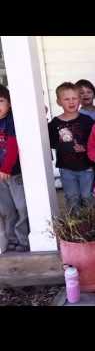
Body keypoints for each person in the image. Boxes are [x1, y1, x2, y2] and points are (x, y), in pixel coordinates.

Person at [48, 82, 95, 212]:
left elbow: (94, 141)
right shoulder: (54, 123)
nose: (71, 102)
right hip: (66, 168)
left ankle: (92, 225)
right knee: (72, 197)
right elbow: (51, 142)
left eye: (74, 98)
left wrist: (85, 147)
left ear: (79, 100)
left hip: (86, 167)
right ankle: (76, 226)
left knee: (88, 196)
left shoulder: (86, 120)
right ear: (59, 102)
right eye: (66, 99)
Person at [0, 84, 30, 252]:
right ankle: (11, 239)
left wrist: (5, 168)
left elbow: (12, 146)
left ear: (9, 103)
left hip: (14, 172)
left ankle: (23, 239)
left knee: (22, 207)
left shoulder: (11, 120)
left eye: (1, 101)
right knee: (6, 209)